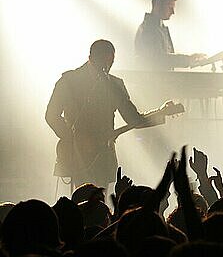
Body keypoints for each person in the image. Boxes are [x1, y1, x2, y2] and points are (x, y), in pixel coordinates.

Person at [45, 39, 158, 188]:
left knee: (98, 202)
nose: (107, 66)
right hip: (77, 155)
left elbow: (132, 118)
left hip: (103, 154)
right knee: (81, 198)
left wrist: (160, 113)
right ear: (91, 58)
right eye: (103, 61)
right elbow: (51, 115)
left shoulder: (115, 84)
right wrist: (73, 139)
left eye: (109, 62)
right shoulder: (69, 80)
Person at [134, 0, 206, 70]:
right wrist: (188, 59)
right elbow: (158, 59)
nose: (173, 12)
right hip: (154, 82)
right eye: (170, 7)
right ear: (157, 4)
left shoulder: (156, 28)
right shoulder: (149, 29)